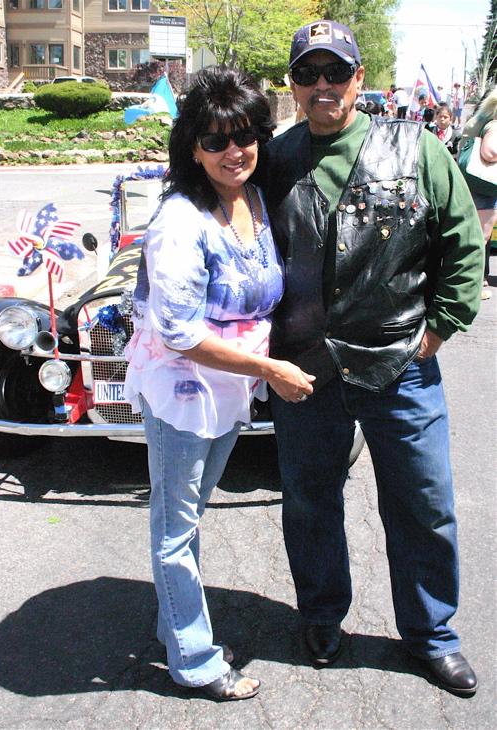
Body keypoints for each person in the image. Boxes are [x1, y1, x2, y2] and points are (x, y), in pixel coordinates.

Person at [258, 19, 484, 697]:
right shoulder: (272, 159)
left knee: (422, 504)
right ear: (292, 85)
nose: (322, 86)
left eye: (336, 72)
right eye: (308, 74)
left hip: (400, 365)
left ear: (359, 78)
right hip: (305, 370)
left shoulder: (416, 147)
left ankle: (431, 636)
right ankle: (323, 615)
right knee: (308, 501)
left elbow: (462, 239)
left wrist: (439, 329)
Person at [124, 67, 314, 701]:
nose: (233, 151)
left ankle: (173, 628)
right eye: (214, 140)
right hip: (183, 389)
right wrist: (270, 370)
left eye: (244, 135)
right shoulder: (180, 220)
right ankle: (196, 661)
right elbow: (178, 331)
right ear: (192, 149)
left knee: (190, 516)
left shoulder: (255, 198)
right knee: (175, 528)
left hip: (227, 386)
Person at [459, 87, 497, 299]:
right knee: (479, 239)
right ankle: (470, 287)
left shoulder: (485, 122)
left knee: (474, 238)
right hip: (486, 188)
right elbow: (490, 151)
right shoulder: (494, 125)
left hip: (477, 186)